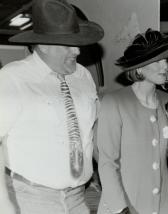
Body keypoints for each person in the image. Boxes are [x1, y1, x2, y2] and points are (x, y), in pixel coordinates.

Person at [0, 0, 104, 213]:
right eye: (68, 45)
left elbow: (92, 132)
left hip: (77, 198)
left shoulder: (83, 76)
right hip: (29, 199)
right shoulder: (12, 78)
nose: (77, 51)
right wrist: (4, 204)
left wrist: (103, 175)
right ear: (43, 45)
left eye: (77, 43)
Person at [97, 29, 168, 214]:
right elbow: (107, 162)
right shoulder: (114, 102)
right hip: (126, 204)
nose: (165, 67)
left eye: (166, 60)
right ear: (139, 68)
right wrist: (120, 209)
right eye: (157, 61)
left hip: (164, 205)